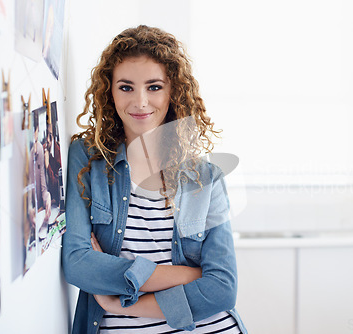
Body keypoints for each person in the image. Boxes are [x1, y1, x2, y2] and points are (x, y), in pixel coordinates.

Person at [62, 25, 247, 334]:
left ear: (173, 90)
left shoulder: (206, 178)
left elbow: (223, 290)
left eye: (154, 87)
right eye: (126, 87)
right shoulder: (88, 158)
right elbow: (79, 264)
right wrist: (188, 275)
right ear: (109, 89)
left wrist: (120, 302)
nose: (140, 102)